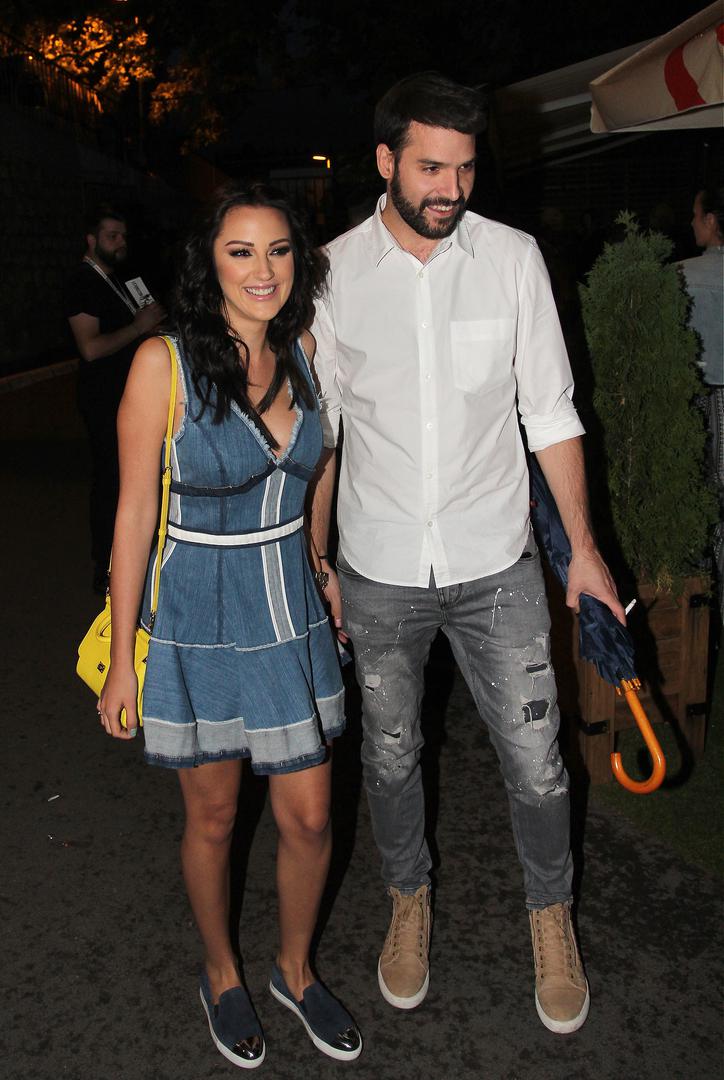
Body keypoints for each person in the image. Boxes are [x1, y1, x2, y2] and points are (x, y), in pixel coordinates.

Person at [309, 72, 625, 1035]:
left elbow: (551, 412)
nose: (450, 186)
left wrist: (584, 551)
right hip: (378, 566)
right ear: (385, 161)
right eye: (431, 166)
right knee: (393, 758)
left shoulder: (513, 259)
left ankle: (551, 917)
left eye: (465, 167)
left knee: (538, 764)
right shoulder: (329, 275)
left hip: (498, 563)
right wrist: (314, 557)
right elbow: (321, 433)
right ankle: (409, 903)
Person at [97, 182, 362, 1068]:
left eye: (279, 250)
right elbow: (135, 515)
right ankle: (220, 972)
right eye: (242, 251)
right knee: (213, 819)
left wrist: (320, 562)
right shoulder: (163, 365)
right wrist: (124, 659)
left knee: (312, 817)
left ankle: (294, 968)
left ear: (300, 260)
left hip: (287, 608)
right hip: (198, 614)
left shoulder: (307, 351)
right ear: (210, 264)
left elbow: (316, 469)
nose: (263, 269)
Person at [65, 204, 166, 593]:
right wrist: (138, 327)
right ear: (91, 240)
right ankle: (105, 567)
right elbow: (90, 348)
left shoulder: (117, 280)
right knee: (112, 481)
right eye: (111, 235)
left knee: (139, 479)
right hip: (104, 398)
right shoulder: (82, 282)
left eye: (123, 235)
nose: (121, 242)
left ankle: (135, 562)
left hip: (132, 394)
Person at [680, 186, 724, 622]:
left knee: (705, 504)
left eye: (696, 215)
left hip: (703, 404)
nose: (691, 223)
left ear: (712, 221)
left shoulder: (681, 277)